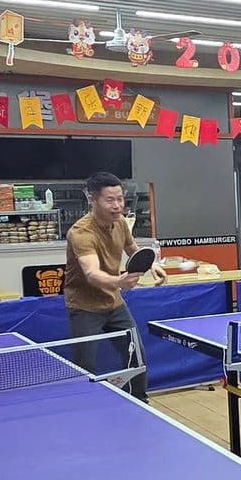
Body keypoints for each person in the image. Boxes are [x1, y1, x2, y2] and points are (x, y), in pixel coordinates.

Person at [64, 170, 157, 398]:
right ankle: (84, 405)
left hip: (114, 304)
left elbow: (132, 249)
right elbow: (92, 273)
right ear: (92, 199)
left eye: (120, 199)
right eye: (110, 200)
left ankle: (140, 400)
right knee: (84, 366)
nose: (117, 205)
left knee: (137, 356)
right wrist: (120, 281)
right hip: (84, 307)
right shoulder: (80, 233)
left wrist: (153, 265)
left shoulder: (121, 223)